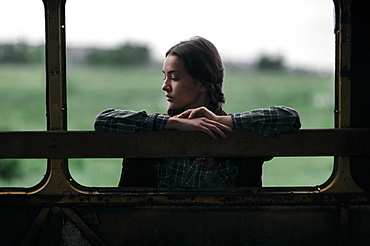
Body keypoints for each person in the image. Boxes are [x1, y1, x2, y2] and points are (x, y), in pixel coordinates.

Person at [94, 36, 301, 188]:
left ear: (202, 83)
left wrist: (223, 121)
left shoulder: (234, 131)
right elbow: (103, 121)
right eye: (164, 77)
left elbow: (289, 119)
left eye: (174, 78)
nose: (165, 86)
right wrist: (173, 124)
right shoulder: (156, 127)